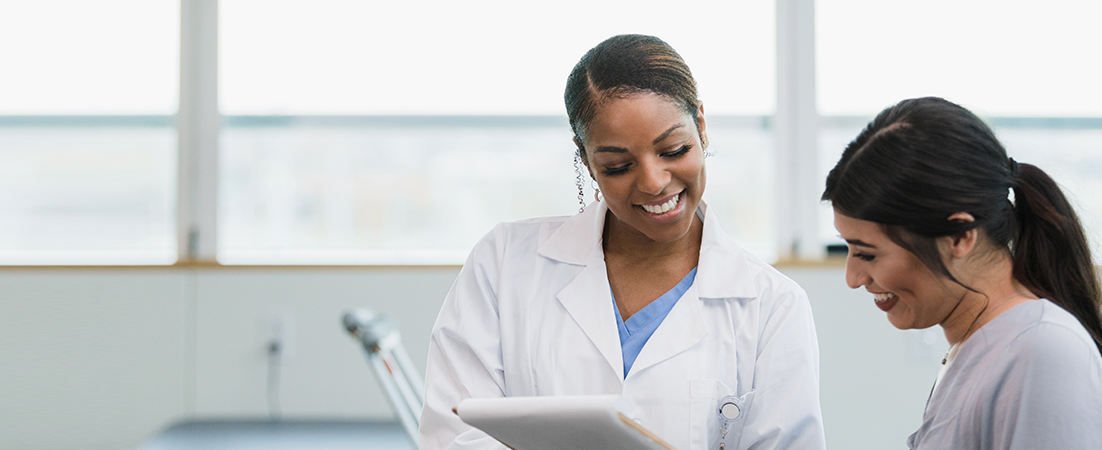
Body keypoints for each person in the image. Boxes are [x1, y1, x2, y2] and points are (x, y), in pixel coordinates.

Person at [418, 34, 825, 450]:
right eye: (618, 166)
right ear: (587, 161)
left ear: (701, 126)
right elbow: (454, 434)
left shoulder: (771, 305)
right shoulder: (504, 264)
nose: (653, 182)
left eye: (674, 149)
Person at [824, 97, 1102, 449]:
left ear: (958, 236)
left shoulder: (1042, 350)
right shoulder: (981, 347)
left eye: (867, 254)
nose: (854, 278)